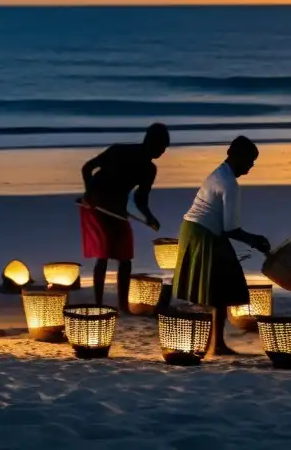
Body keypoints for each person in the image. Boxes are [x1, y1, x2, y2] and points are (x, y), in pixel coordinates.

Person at [173, 135, 270, 355]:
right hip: (203, 233)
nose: (251, 166)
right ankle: (216, 344)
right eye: (250, 160)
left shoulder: (218, 173)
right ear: (237, 157)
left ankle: (215, 344)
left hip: (193, 230)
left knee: (217, 289)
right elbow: (231, 229)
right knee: (221, 286)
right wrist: (255, 241)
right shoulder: (229, 184)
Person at [80, 123, 170, 309]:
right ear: (150, 142)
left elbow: (140, 199)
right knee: (103, 254)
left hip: (117, 208)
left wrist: (149, 217)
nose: (162, 152)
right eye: (161, 147)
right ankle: (99, 303)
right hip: (96, 205)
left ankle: (122, 305)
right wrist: (89, 194)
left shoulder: (148, 169)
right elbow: (87, 168)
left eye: (164, 149)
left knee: (125, 256)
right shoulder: (118, 151)